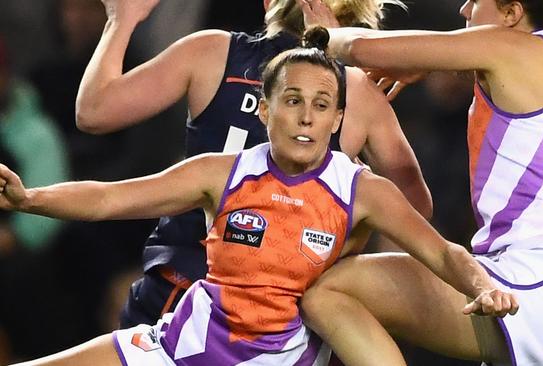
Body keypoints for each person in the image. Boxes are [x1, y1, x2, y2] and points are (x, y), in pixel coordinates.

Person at [0, 38, 516, 366]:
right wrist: (29, 198)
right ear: (266, 111)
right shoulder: (222, 173)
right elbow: (112, 200)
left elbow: (443, 252)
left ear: (338, 121)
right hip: (178, 346)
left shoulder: (362, 190)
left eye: (321, 106)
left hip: (277, 357)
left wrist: (484, 287)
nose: (307, 118)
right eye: (293, 102)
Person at [299, 0, 543, 365]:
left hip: (536, 282)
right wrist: (434, 63)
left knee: (331, 290)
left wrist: (323, 34)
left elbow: (361, 48)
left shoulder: (513, 48)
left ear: (511, 13)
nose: (465, 10)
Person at [75, 0, 432, 329]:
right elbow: (414, 209)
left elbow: (94, 111)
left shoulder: (211, 52)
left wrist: (122, 20)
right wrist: (351, 186)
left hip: (185, 290)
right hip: (283, 317)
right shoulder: (357, 96)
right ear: (354, 18)